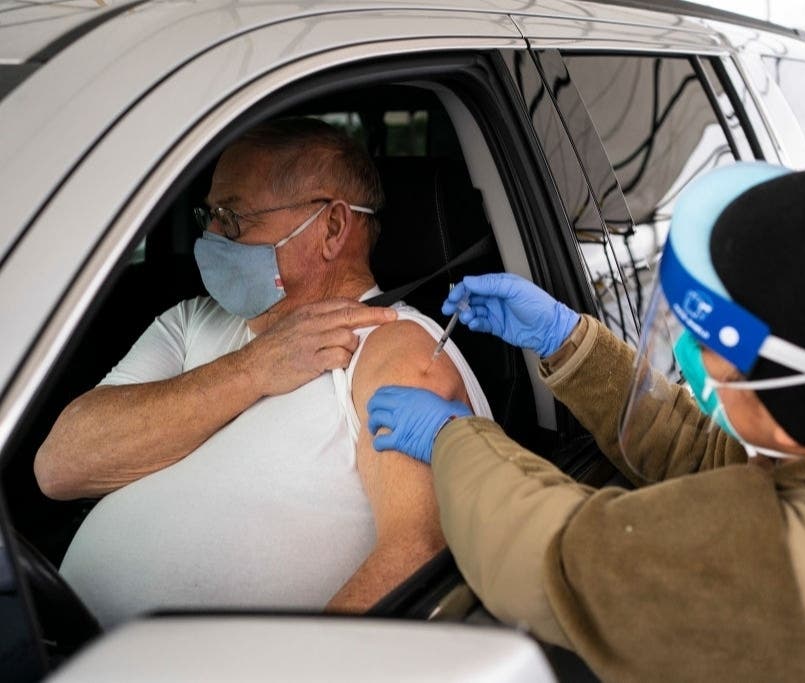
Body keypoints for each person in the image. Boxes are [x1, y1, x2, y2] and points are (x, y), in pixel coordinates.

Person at [367, 161, 805, 681]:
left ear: (797, 397)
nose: (687, 351)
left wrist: (452, 439)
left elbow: (556, 561)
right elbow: (707, 457)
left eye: (705, 342)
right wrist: (570, 342)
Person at [34, 118, 491, 628]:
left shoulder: (391, 343)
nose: (209, 236)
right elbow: (59, 466)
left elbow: (420, 554)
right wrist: (255, 369)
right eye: (209, 213)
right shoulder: (191, 321)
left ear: (332, 228)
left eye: (232, 217)